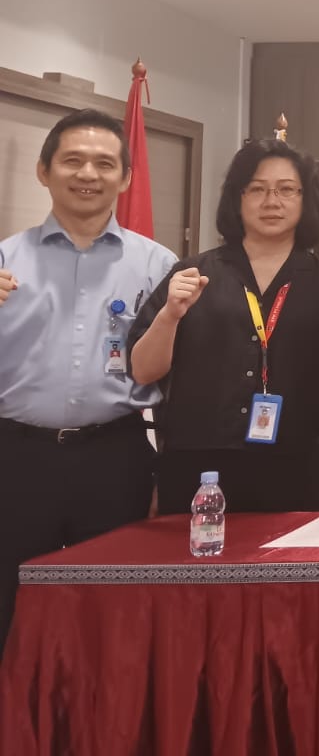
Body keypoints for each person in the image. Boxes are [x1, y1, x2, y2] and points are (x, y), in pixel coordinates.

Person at [0, 109, 176, 649]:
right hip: (17, 460)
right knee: (10, 609)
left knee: (114, 614)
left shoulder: (159, 266)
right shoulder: (6, 260)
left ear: (125, 178)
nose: (87, 174)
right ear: (44, 170)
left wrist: (168, 476)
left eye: (104, 163)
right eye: (72, 160)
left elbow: (178, 380)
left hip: (115, 457)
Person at [128, 139, 319, 514]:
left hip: (293, 469)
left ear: (306, 200)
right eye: (257, 189)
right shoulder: (193, 274)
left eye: (286, 190)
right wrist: (169, 315)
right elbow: (143, 371)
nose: (271, 201)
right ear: (237, 198)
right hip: (196, 468)